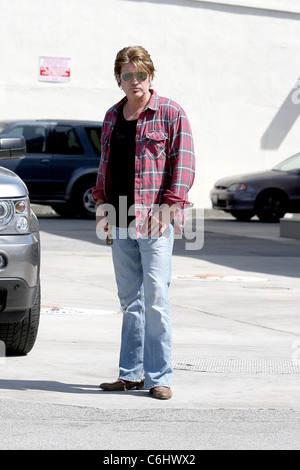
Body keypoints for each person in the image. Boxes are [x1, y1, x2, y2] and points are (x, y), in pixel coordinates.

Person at [92, 45, 195, 400]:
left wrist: (170, 208)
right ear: (119, 79)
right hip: (119, 216)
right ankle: (130, 374)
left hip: (154, 220)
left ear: (151, 76)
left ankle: (160, 377)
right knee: (129, 300)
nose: (135, 81)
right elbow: (104, 163)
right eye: (127, 75)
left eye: (141, 74)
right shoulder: (111, 115)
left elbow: (184, 163)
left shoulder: (170, 112)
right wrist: (101, 203)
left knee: (155, 298)